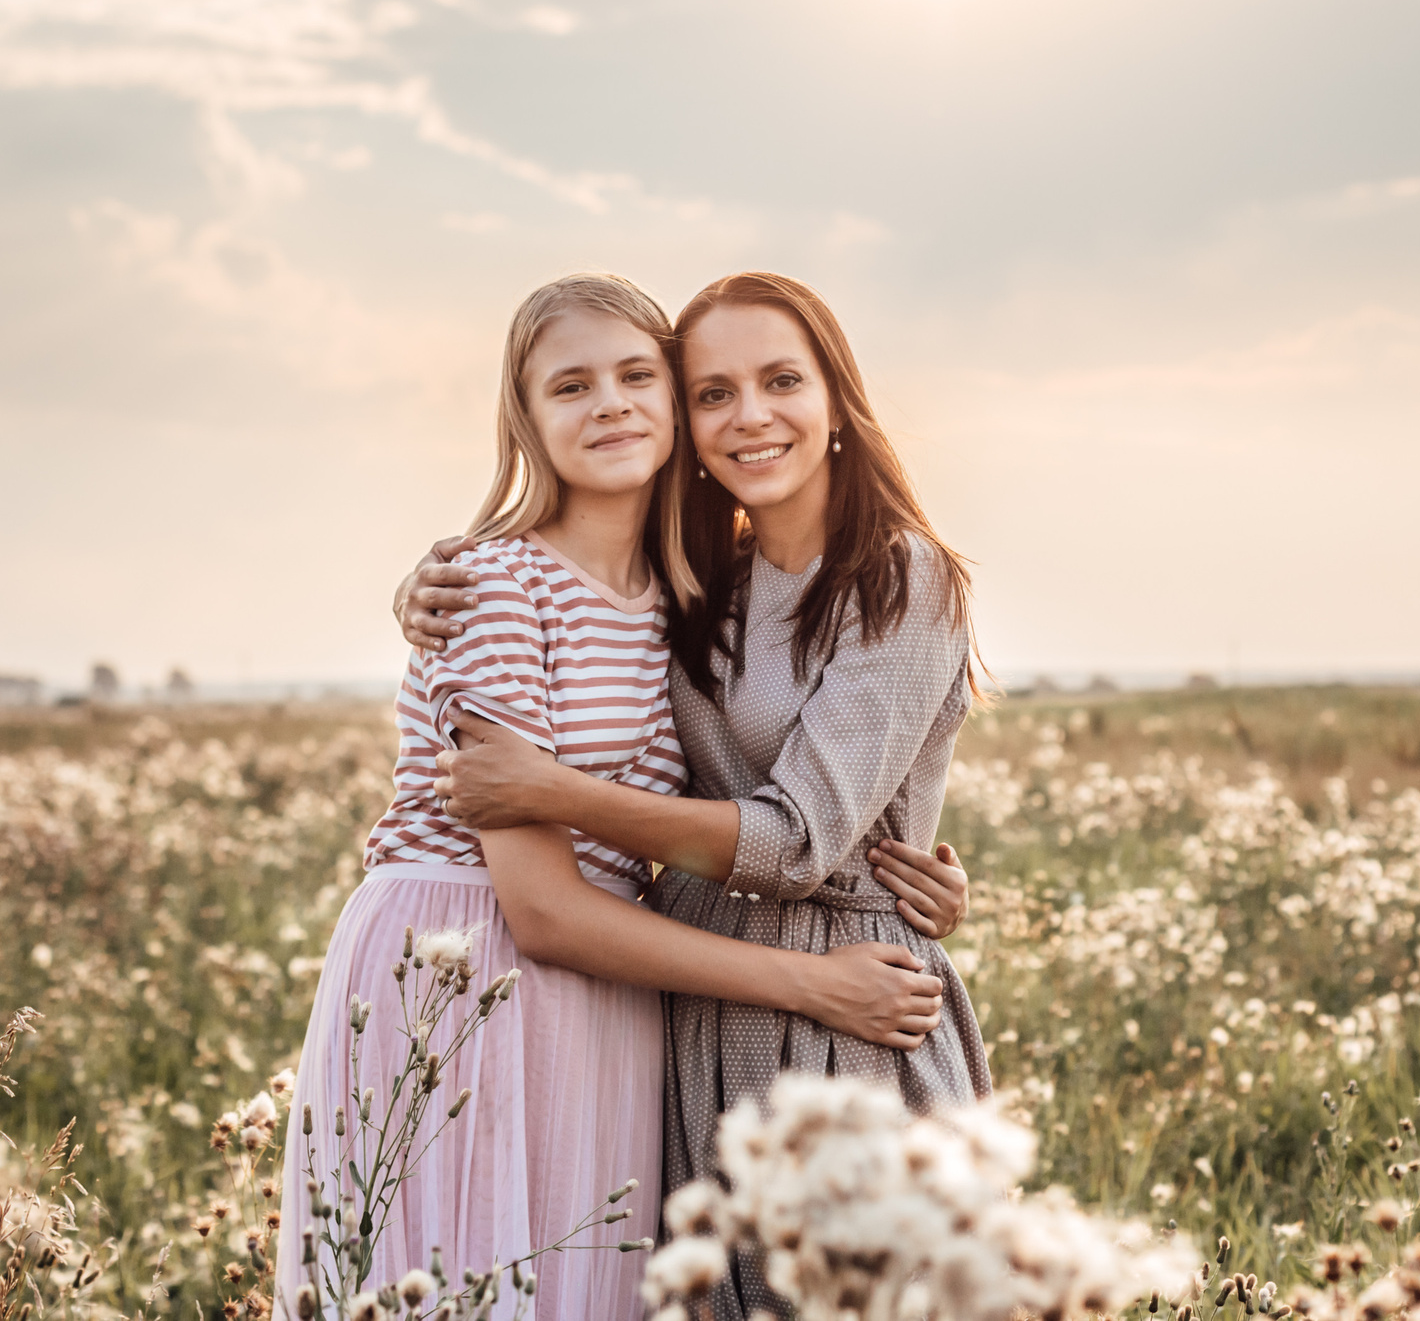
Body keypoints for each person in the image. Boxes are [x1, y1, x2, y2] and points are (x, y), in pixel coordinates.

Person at [280, 273, 964, 1321]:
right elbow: (550, 901)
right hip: (495, 976)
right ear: (526, 419)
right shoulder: (541, 585)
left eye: (640, 377)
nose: (611, 405)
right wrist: (812, 968)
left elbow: (798, 814)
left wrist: (903, 865)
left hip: (693, 988)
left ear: (836, 397)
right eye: (571, 387)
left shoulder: (719, 582)